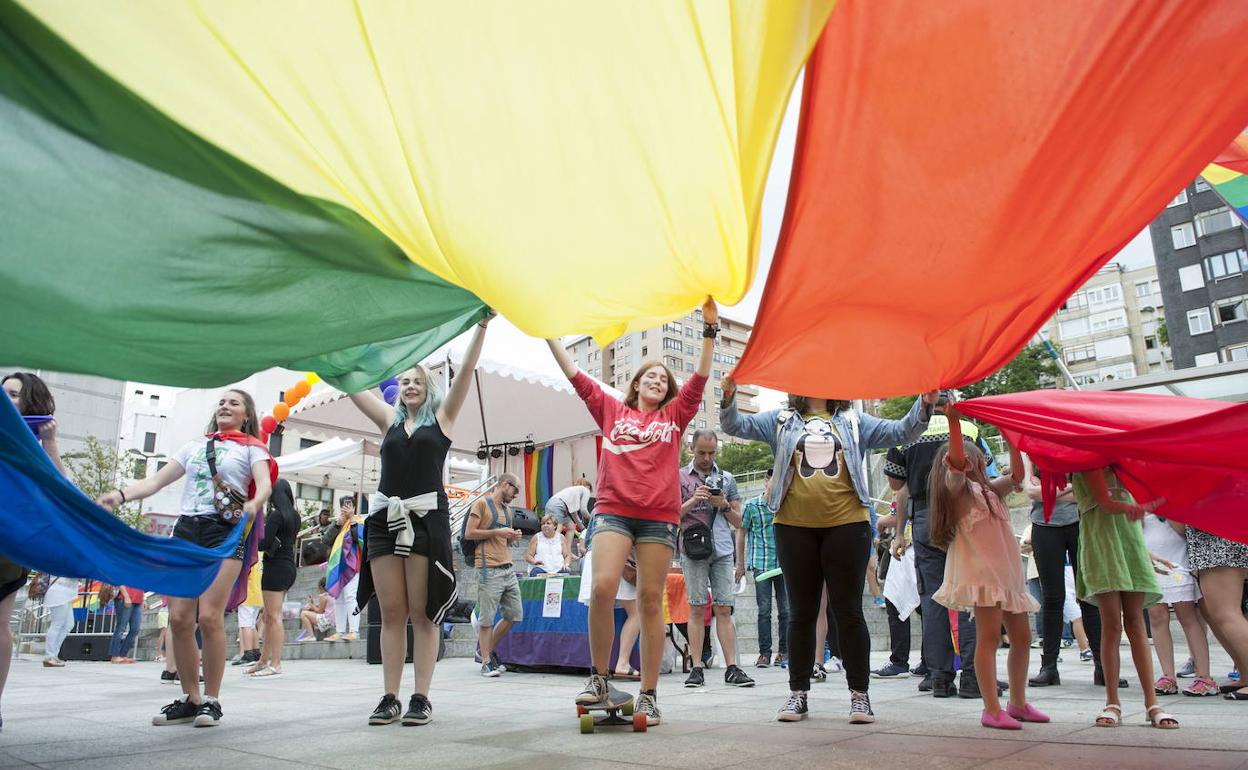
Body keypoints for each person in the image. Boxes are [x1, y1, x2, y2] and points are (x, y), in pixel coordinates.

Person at [721, 375, 937, 724]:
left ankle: (859, 695)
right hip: (793, 526)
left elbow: (902, 431)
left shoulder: (854, 421)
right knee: (801, 613)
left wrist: (924, 403)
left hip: (847, 525)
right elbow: (734, 423)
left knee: (848, 611)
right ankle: (798, 694)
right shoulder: (780, 420)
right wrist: (729, 395)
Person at [549, 297, 718, 727]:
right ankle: (600, 679)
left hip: (659, 518)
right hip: (612, 511)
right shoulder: (611, 410)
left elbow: (699, 377)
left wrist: (710, 332)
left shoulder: (676, 417)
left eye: (664, 378)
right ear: (637, 383)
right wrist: (547, 330)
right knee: (603, 587)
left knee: (648, 599)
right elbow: (574, 374)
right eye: (651, 376)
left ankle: (648, 694)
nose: (658, 380)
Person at [98, 388, 275, 728]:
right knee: (179, 619)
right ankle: (190, 697)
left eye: (233, 403)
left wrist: (255, 503)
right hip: (185, 531)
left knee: (209, 617)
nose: (225, 406)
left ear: (246, 415)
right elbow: (157, 481)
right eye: (222, 402)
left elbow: (264, 484)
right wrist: (119, 496)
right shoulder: (195, 446)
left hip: (224, 533)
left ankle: (212, 699)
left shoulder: (253, 449)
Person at [345, 314, 491, 726]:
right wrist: (333, 348)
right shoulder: (388, 421)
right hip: (384, 522)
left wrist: (481, 327)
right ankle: (389, 696)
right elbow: (351, 383)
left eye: (418, 381)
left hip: (426, 521)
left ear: (428, 389)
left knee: (423, 612)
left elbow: (464, 371)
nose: (410, 385)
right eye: (405, 380)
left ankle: (420, 697)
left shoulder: (441, 420)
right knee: (391, 612)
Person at [928, 423, 1046, 730]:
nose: (977, 463)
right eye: (971, 460)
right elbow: (955, 462)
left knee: (1022, 637)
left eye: (977, 459)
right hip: (982, 577)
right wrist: (953, 421)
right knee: (989, 638)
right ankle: (991, 708)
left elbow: (1019, 476)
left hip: (1006, 577)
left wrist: (1012, 438)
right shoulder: (959, 491)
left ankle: (1017, 703)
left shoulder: (991, 490)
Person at [886, 396, 996, 699]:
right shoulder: (968, 429)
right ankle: (974, 677)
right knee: (969, 596)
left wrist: (899, 534)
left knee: (933, 600)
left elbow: (899, 489)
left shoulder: (906, 433)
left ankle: (940, 678)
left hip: (924, 516)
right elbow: (983, 472)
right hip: (964, 513)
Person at [1071, 468, 1176, 728]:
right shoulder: (1083, 460)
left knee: (1136, 623)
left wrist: (1146, 551)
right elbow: (1106, 502)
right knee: (1112, 625)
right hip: (1101, 543)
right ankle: (1112, 702)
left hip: (1129, 542)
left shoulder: (1124, 462)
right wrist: (1139, 507)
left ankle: (1152, 704)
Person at [1019, 457, 1117, 689]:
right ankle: (1049, 667)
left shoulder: (1071, 446)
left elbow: (1092, 490)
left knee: (1088, 594)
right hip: (1044, 525)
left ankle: (1103, 667)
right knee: (1052, 597)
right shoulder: (1030, 450)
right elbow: (1032, 492)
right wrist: (1076, 487)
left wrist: (1051, 492)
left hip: (1079, 522)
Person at [2, 372, 65, 728]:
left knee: (0, 623)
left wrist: (50, 443)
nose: (3, 399)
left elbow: (61, 488)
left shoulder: (31, 445)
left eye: (12, 395)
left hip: (9, 539)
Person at [679, 429, 753, 689]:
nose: (707, 458)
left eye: (711, 453)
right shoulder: (680, 477)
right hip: (693, 549)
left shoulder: (727, 478)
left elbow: (739, 521)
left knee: (724, 608)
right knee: (697, 607)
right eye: (702, 452)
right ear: (692, 448)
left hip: (722, 549)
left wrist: (722, 504)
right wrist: (694, 500)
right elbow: (671, 515)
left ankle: (732, 667)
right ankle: (697, 667)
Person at [1142, 514, 1214, 696]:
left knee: (1187, 616)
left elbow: (1182, 530)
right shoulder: (1138, 495)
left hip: (1178, 560)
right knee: (1157, 616)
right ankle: (1168, 677)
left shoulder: (1173, 496)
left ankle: (1205, 677)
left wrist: (1164, 508)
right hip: (1150, 561)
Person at [466, 473, 524, 677]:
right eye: (515, 490)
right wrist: (497, 532)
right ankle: (486, 661)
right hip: (487, 568)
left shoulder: (507, 510)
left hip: (507, 567)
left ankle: (485, 651)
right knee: (487, 618)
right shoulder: (482, 504)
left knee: (514, 615)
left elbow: (504, 540)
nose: (516, 495)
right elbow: (469, 533)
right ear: (504, 485)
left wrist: (512, 536)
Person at [1182, 524, 1248, 701]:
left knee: (1226, 613)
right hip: (1215, 538)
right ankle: (1245, 674)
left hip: (1218, 538)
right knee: (1215, 613)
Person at [247, 479, 301, 678]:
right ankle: (264, 660)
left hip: (275, 567)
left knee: (274, 617)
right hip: (288, 566)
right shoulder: (295, 516)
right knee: (270, 616)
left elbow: (264, 543)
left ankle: (275, 663)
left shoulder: (276, 516)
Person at [736, 469, 787, 669]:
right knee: (764, 610)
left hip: (784, 565)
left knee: (786, 610)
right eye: (774, 481)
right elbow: (741, 532)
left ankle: (784, 652)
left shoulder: (786, 505)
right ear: (766, 482)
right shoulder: (752, 505)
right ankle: (764, 653)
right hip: (761, 563)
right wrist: (739, 564)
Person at [324, 496, 364, 642]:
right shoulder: (339, 523)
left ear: (354, 507)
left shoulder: (359, 521)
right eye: (343, 506)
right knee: (337, 597)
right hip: (337, 567)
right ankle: (340, 631)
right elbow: (326, 540)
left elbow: (359, 539)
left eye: (349, 506)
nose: (346, 509)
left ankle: (354, 631)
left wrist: (352, 520)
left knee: (350, 596)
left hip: (353, 566)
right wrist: (337, 524)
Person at [545, 479, 593, 552]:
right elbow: (583, 510)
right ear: (588, 487)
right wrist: (593, 519)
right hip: (558, 505)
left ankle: (567, 552)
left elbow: (574, 514)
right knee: (558, 529)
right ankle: (551, 551)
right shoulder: (585, 490)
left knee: (571, 527)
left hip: (552, 504)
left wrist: (583, 528)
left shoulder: (574, 491)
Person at [233, 564, 263, 667]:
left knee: (245, 625)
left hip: (247, 594)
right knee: (252, 625)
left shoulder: (248, 553)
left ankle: (248, 654)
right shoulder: (261, 554)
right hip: (258, 594)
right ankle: (256, 653)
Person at [108, 585, 145, 663]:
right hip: (124, 597)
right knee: (121, 627)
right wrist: (126, 596)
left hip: (138, 599)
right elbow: (119, 580)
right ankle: (115, 655)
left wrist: (144, 599)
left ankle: (122, 655)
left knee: (135, 629)